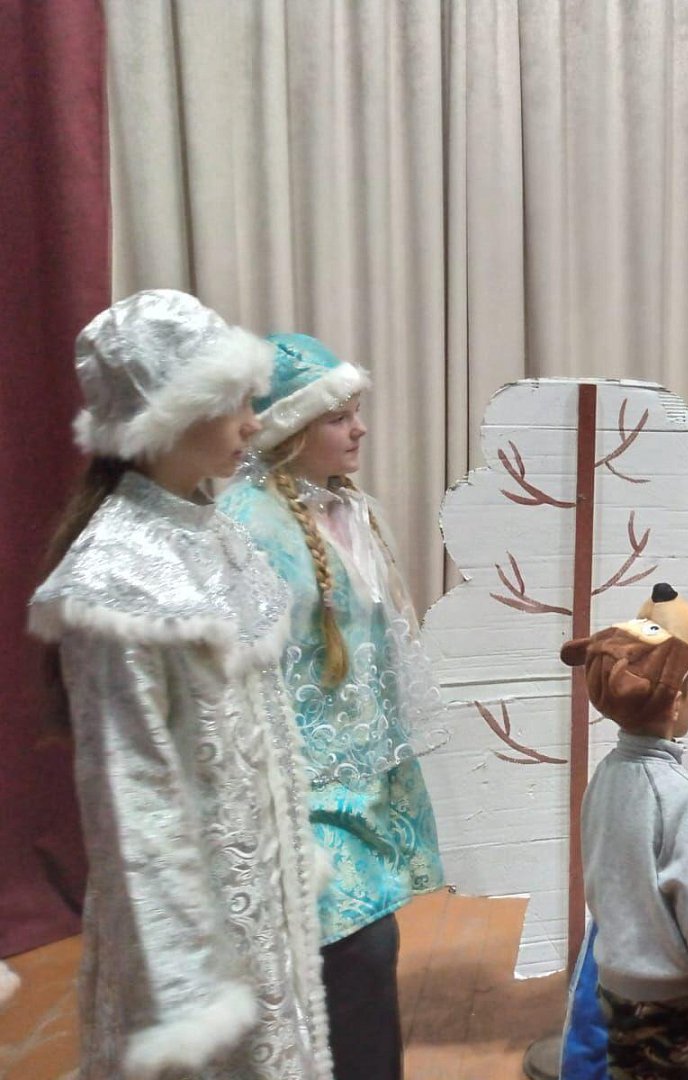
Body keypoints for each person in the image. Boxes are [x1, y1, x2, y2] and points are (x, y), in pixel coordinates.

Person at [29, 290, 332, 1079]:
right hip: (196, 935)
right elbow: (131, 798)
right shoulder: (116, 576)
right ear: (168, 414)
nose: (253, 423)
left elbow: (265, 725)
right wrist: (186, 987)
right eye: (233, 403)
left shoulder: (217, 536)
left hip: (258, 898)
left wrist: (287, 856)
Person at [219, 334, 446, 1080]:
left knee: (365, 960)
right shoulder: (245, 523)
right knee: (357, 952)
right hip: (299, 789)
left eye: (357, 412)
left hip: (364, 778)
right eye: (339, 417)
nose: (360, 429)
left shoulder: (355, 511)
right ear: (291, 428)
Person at [563, 583, 688, 1080]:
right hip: (675, 997)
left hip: (614, 984)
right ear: (675, 706)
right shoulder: (681, 796)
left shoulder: (603, 777)